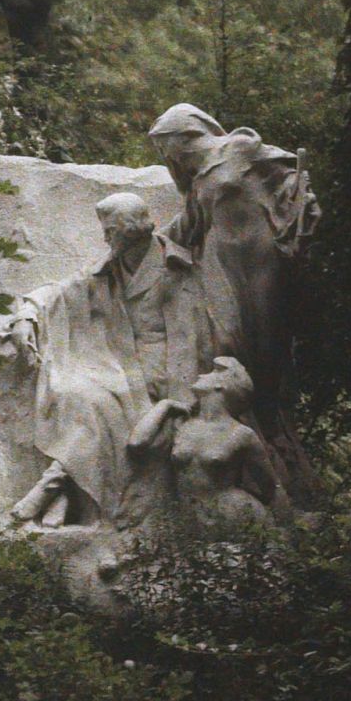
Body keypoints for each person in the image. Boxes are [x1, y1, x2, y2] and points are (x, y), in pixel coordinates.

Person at [5, 192, 231, 528]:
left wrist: (184, 393)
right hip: (117, 360)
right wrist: (27, 313)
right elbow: (63, 290)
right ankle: (65, 489)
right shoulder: (111, 266)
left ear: (130, 230)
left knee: (107, 409)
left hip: (161, 372)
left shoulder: (173, 266)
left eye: (110, 231)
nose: (105, 238)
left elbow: (190, 336)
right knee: (73, 392)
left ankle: (54, 488)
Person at [146, 103, 319, 494]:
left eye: (167, 147)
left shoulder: (239, 146)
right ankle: (241, 439)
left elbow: (288, 172)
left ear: (185, 135)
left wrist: (299, 202)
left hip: (260, 259)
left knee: (266, 343)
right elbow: (186, 226)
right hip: (219, 264)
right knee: (225, 346)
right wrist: (145, 239)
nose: (168, 158)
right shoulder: (197, 185)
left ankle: (274, 441)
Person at [127, 356, 286, 534]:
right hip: (187, 519)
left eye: (214, 371)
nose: (203, 374)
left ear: (222, 385)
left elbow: (272, 487)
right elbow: (136, 443)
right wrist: (165, 405)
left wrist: (288, 531)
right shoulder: (183, 424)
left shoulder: (241, 434)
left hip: (233, 518)